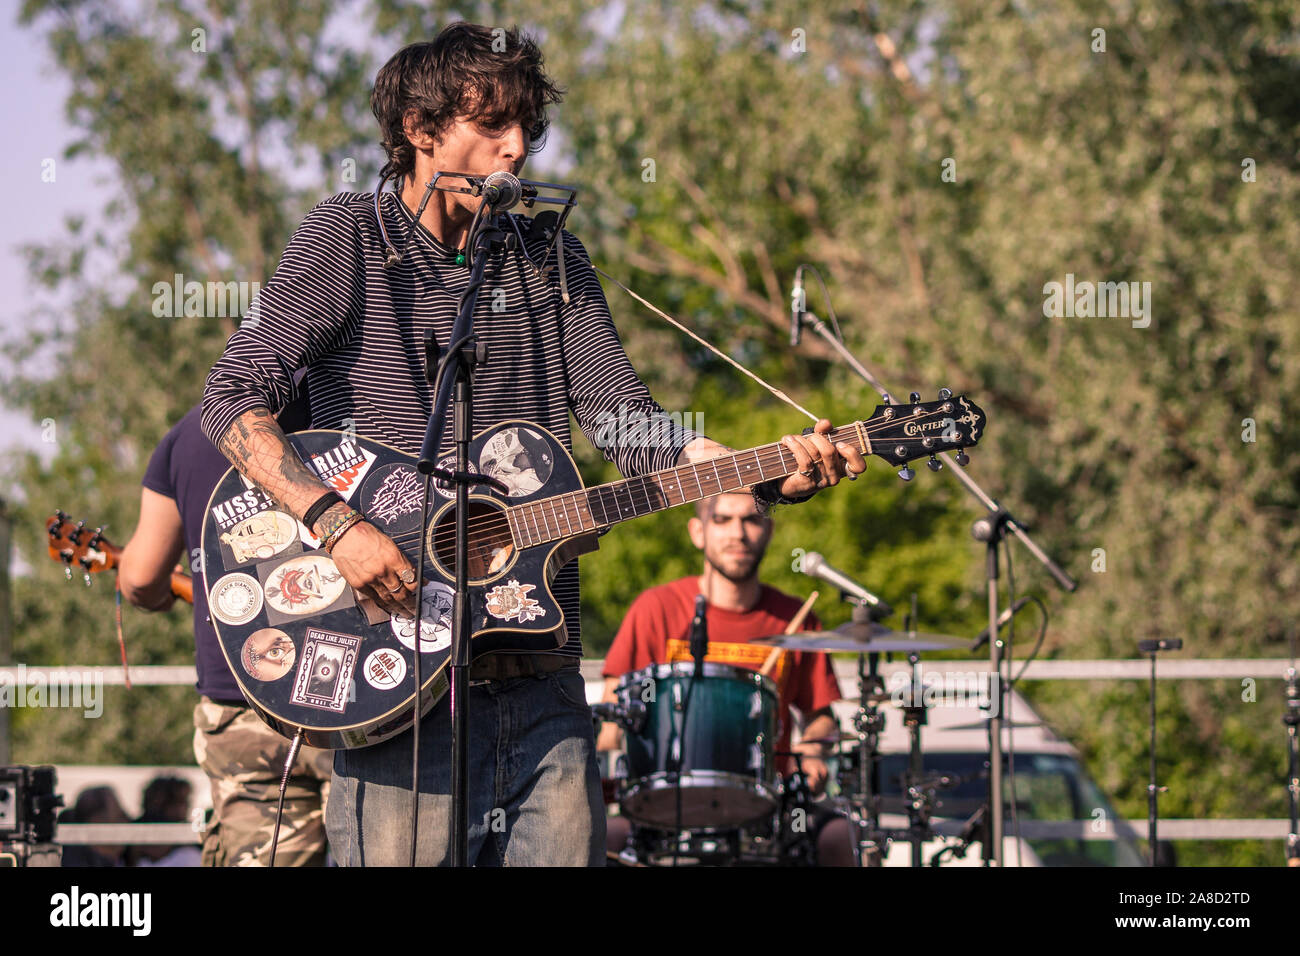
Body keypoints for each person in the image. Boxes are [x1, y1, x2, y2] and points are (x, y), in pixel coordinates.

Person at [199, 22, 866, 866]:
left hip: (540, 671)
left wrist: (765, 474)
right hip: (394, 664)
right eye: (491, 126)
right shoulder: (346, 240)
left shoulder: (551, 257)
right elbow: (230, 403)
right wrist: (338, 526)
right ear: (419, 128)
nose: (517, 148)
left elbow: (630, 425)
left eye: (527, 129)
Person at [118, 403, 333, 866]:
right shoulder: (348, 401)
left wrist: (161, 594)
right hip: (353, 697)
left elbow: (138, 579)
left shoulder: (188, 434)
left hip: (243, 707)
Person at [598, 491, 842, 856]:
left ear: (769, 530)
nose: (738, 534)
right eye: (722, 520)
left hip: (770, 805)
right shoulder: (656, 608)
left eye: (752, 520)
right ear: (697, 532)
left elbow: (821, 717)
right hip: (665, 802)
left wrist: (813, 752)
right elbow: (612, 715)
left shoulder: (797, 619)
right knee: (602, 840)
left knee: (838, 835)